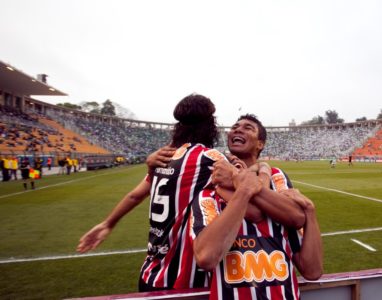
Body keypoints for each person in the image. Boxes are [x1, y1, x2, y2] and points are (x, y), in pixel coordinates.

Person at [77, 94, 223, 291]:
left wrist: (108, 223)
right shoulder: (209, 158)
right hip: (186, 281)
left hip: (150, 275)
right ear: (209, 124)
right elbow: (247, 186)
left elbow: (135, 195)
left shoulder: (165, 157)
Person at [190, 114, 323, 299]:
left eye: (248, 127)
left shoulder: (277, 178)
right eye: (235, 126)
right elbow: (206, 257)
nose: (238, 129)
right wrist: (245, 184)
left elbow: (298, 221)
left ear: (260, 144)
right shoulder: (210, 191)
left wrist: (240, 179)